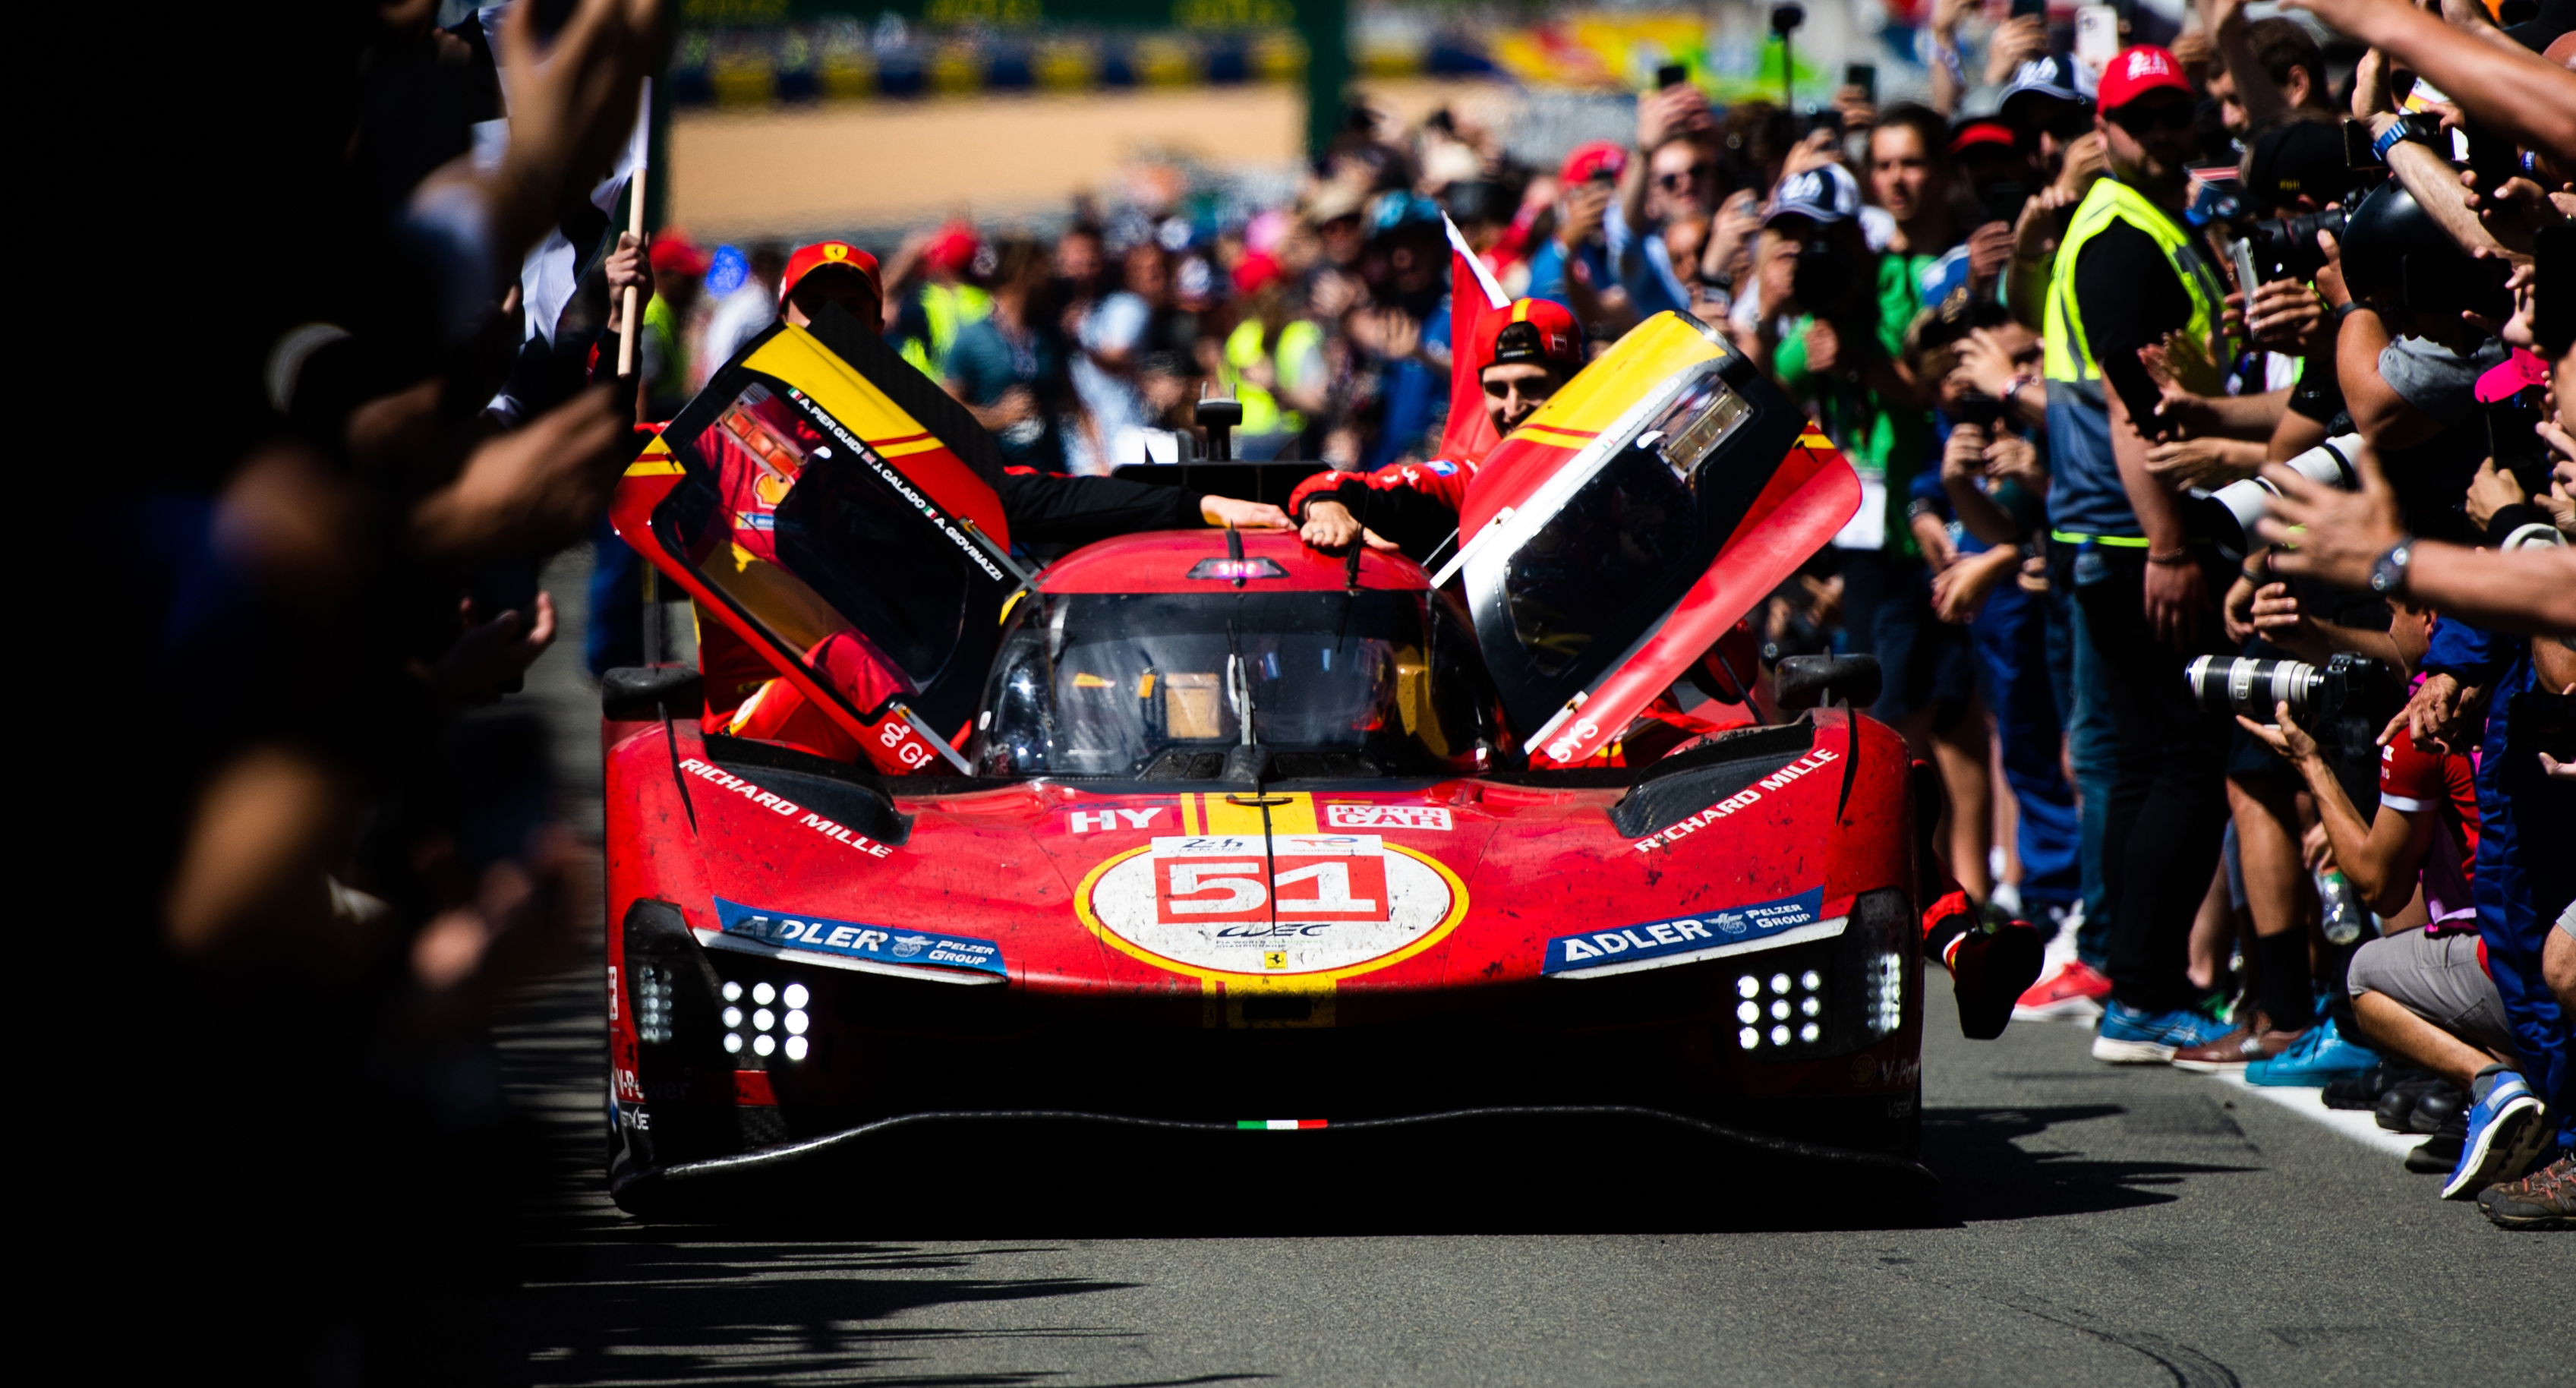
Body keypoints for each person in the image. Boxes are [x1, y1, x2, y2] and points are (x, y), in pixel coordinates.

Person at [2043, 47, 2247, 1065]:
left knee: (2138, 765)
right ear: (2105, 129)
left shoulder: (2148, 224)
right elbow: (2141, 410)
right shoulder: (2120, 235)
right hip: (2136, 535)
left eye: (2175, 111)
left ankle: (2133, 983)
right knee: (2185, 759)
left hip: (2113, 532)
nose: (2164, 130)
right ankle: (2147, 989)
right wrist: (2170, 543)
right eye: (2142, 117)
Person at [1291, 297, 1583, 562]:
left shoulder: (1620, 445)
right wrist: (1328, 507)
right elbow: (1327, 485)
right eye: (1497, 389)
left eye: (1531, 385)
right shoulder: (1475, 477)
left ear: (1573, 382)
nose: (1513, 405)